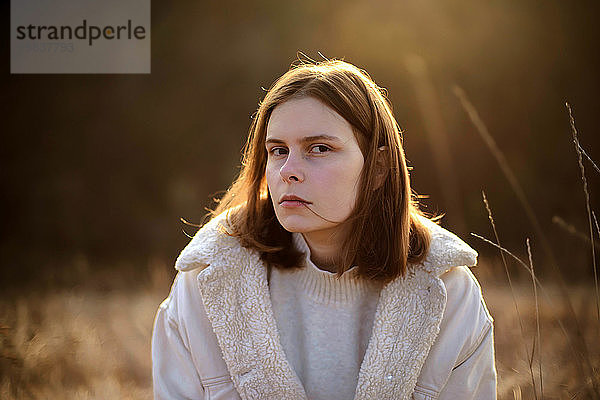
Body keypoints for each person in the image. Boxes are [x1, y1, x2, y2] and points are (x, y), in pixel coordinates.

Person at [151, 58, 497, 400]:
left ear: (377, 168)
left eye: (319, 148)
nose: (288, 170)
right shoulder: (207, 281)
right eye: (277, 150)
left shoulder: (447, 290)